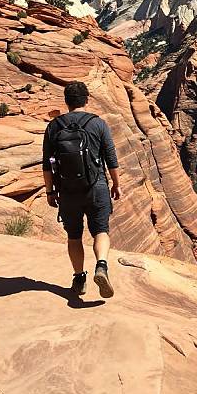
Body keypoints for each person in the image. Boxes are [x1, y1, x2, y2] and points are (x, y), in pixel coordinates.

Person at [42, 81, 122, 298]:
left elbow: (47, 165)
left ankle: (79, 278)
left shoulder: (54, 127)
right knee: (101, 230)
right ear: (87, 100)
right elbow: (111, 159)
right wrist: (116, 184)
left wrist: (50, 192)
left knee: (74, 237)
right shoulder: (98, 124)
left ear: (67, 101)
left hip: (67, 191)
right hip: (96, 187)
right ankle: (102, 266)